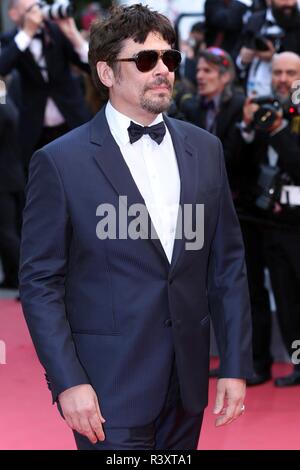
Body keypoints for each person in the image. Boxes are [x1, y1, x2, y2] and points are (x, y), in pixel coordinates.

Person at [19, 4, 253, 451]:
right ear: (107, 73)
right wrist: (68, 383)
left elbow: (228, 266)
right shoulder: (60, 162)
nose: (163, 69)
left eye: (170, 58)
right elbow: (40, 282)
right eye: (146, 60)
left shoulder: (205, 150)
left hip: (186, 387)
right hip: (108, 390)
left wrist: (234, 365)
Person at [236, 51, 300, 386]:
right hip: (270, 220)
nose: (283, 79)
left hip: (298, 220)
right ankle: (298, 363)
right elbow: (242, 163)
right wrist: (249, 127)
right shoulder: (266, 112)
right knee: (285, 297)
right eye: (277, 72)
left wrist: (277, 131)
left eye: (291, 72)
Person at [0, 0, 91, 172]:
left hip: (72, 121)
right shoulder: (11, 40)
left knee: (83, 173)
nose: (38, 13)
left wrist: (74, 35)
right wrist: (27, 32)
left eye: (40, 6)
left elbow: (91, 66)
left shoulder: (56, 32)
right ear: (13, 14)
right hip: (35, 131)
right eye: (30, 9)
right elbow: (3, 67)